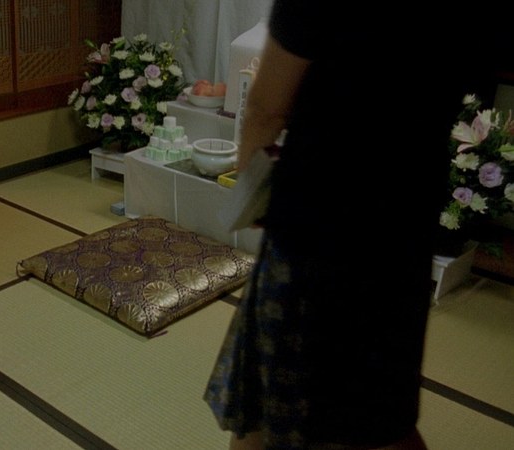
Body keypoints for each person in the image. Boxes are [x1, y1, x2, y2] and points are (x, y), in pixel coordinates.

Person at [204, 1, 512, 449]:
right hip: (402, 223)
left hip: (314, 222)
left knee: (270, 403)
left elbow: (267, 108)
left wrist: (250, 195)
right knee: (378, 407)